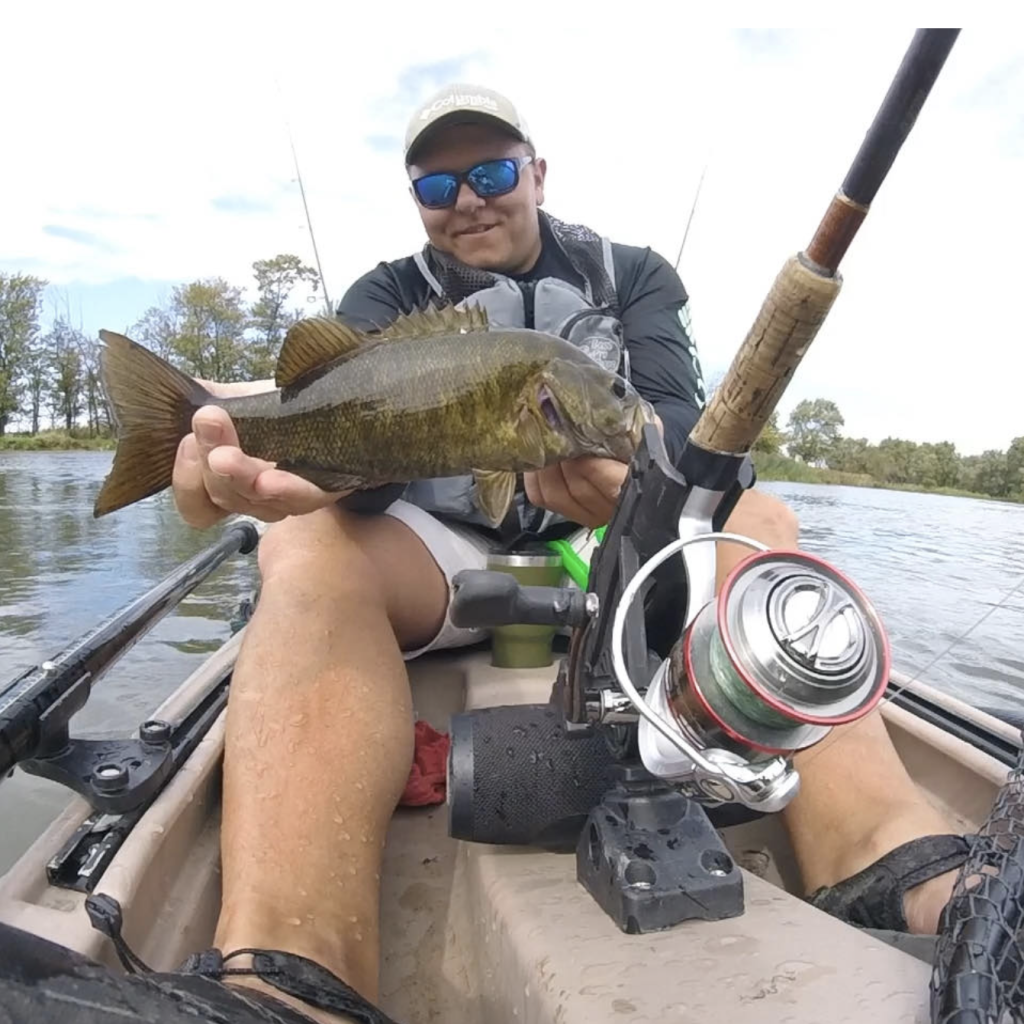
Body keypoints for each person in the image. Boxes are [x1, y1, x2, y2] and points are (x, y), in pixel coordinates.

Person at [149, 85, 969, 1022]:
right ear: (416, 198)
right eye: (436, 184)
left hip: (603, 553)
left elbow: (674, 419)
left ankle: (890, 857)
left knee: (762, 519)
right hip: (443, 558)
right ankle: (292, 971)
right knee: (301, 541)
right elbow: (364, 477)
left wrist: (640, 484)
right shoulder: (386, 295)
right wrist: (301, 461)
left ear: (537, 174)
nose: (467, 200)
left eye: (492, 172)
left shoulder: (634, 275)